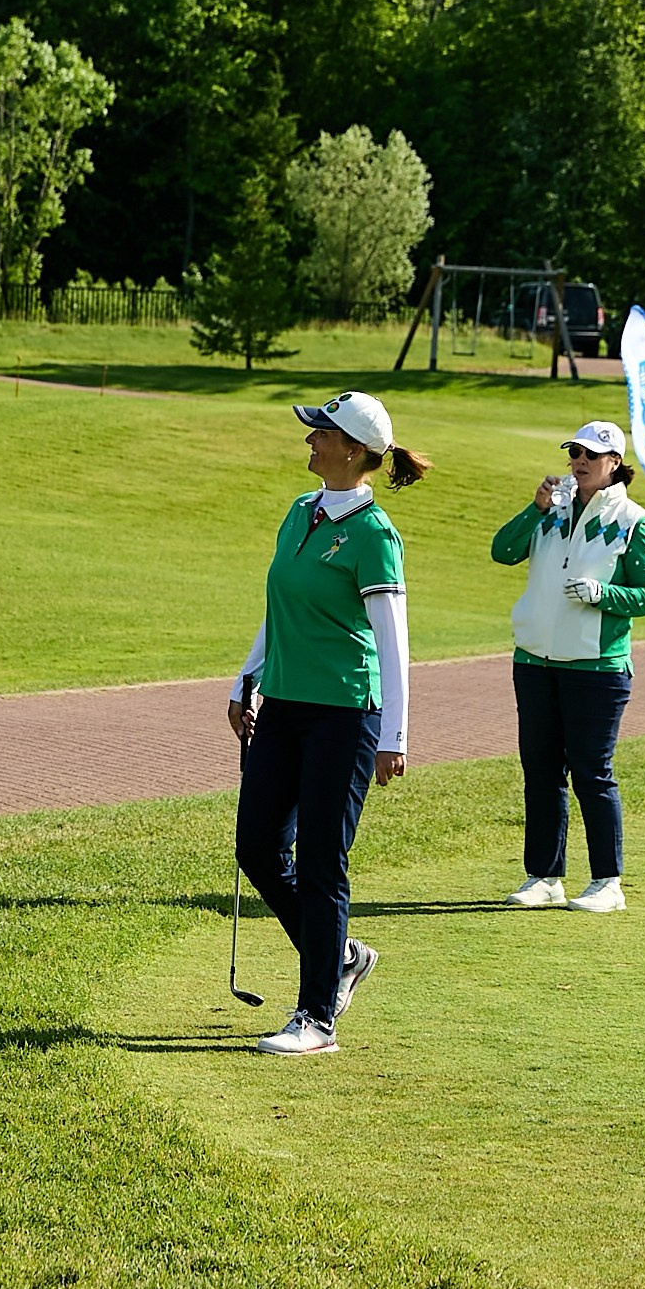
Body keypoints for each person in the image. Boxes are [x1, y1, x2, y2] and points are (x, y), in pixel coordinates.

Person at [228, 390, 429, 1056]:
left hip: (346, 714)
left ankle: (317, 1017)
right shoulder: (299, 513)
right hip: (283, 704)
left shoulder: (375, 536)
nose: (309, 441)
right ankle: (340, 955)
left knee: (320, 859)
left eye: (321, 433)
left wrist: (396, 734)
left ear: (352, 449)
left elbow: (394, 644)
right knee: (257, 846)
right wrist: (246, 677)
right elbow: (279, 603)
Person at [490, 419, 645, 913]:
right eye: (575, 453)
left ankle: (608, 882)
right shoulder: (549, 512)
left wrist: (602, 594)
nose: (579, 461)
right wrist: (535, 507)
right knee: (540, 771)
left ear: (614, 464)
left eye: (591, 454)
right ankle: (545, 877)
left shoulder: (633, 520)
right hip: (535, 662)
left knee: (592, 773)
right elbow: (502, 551)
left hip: (597, 668)